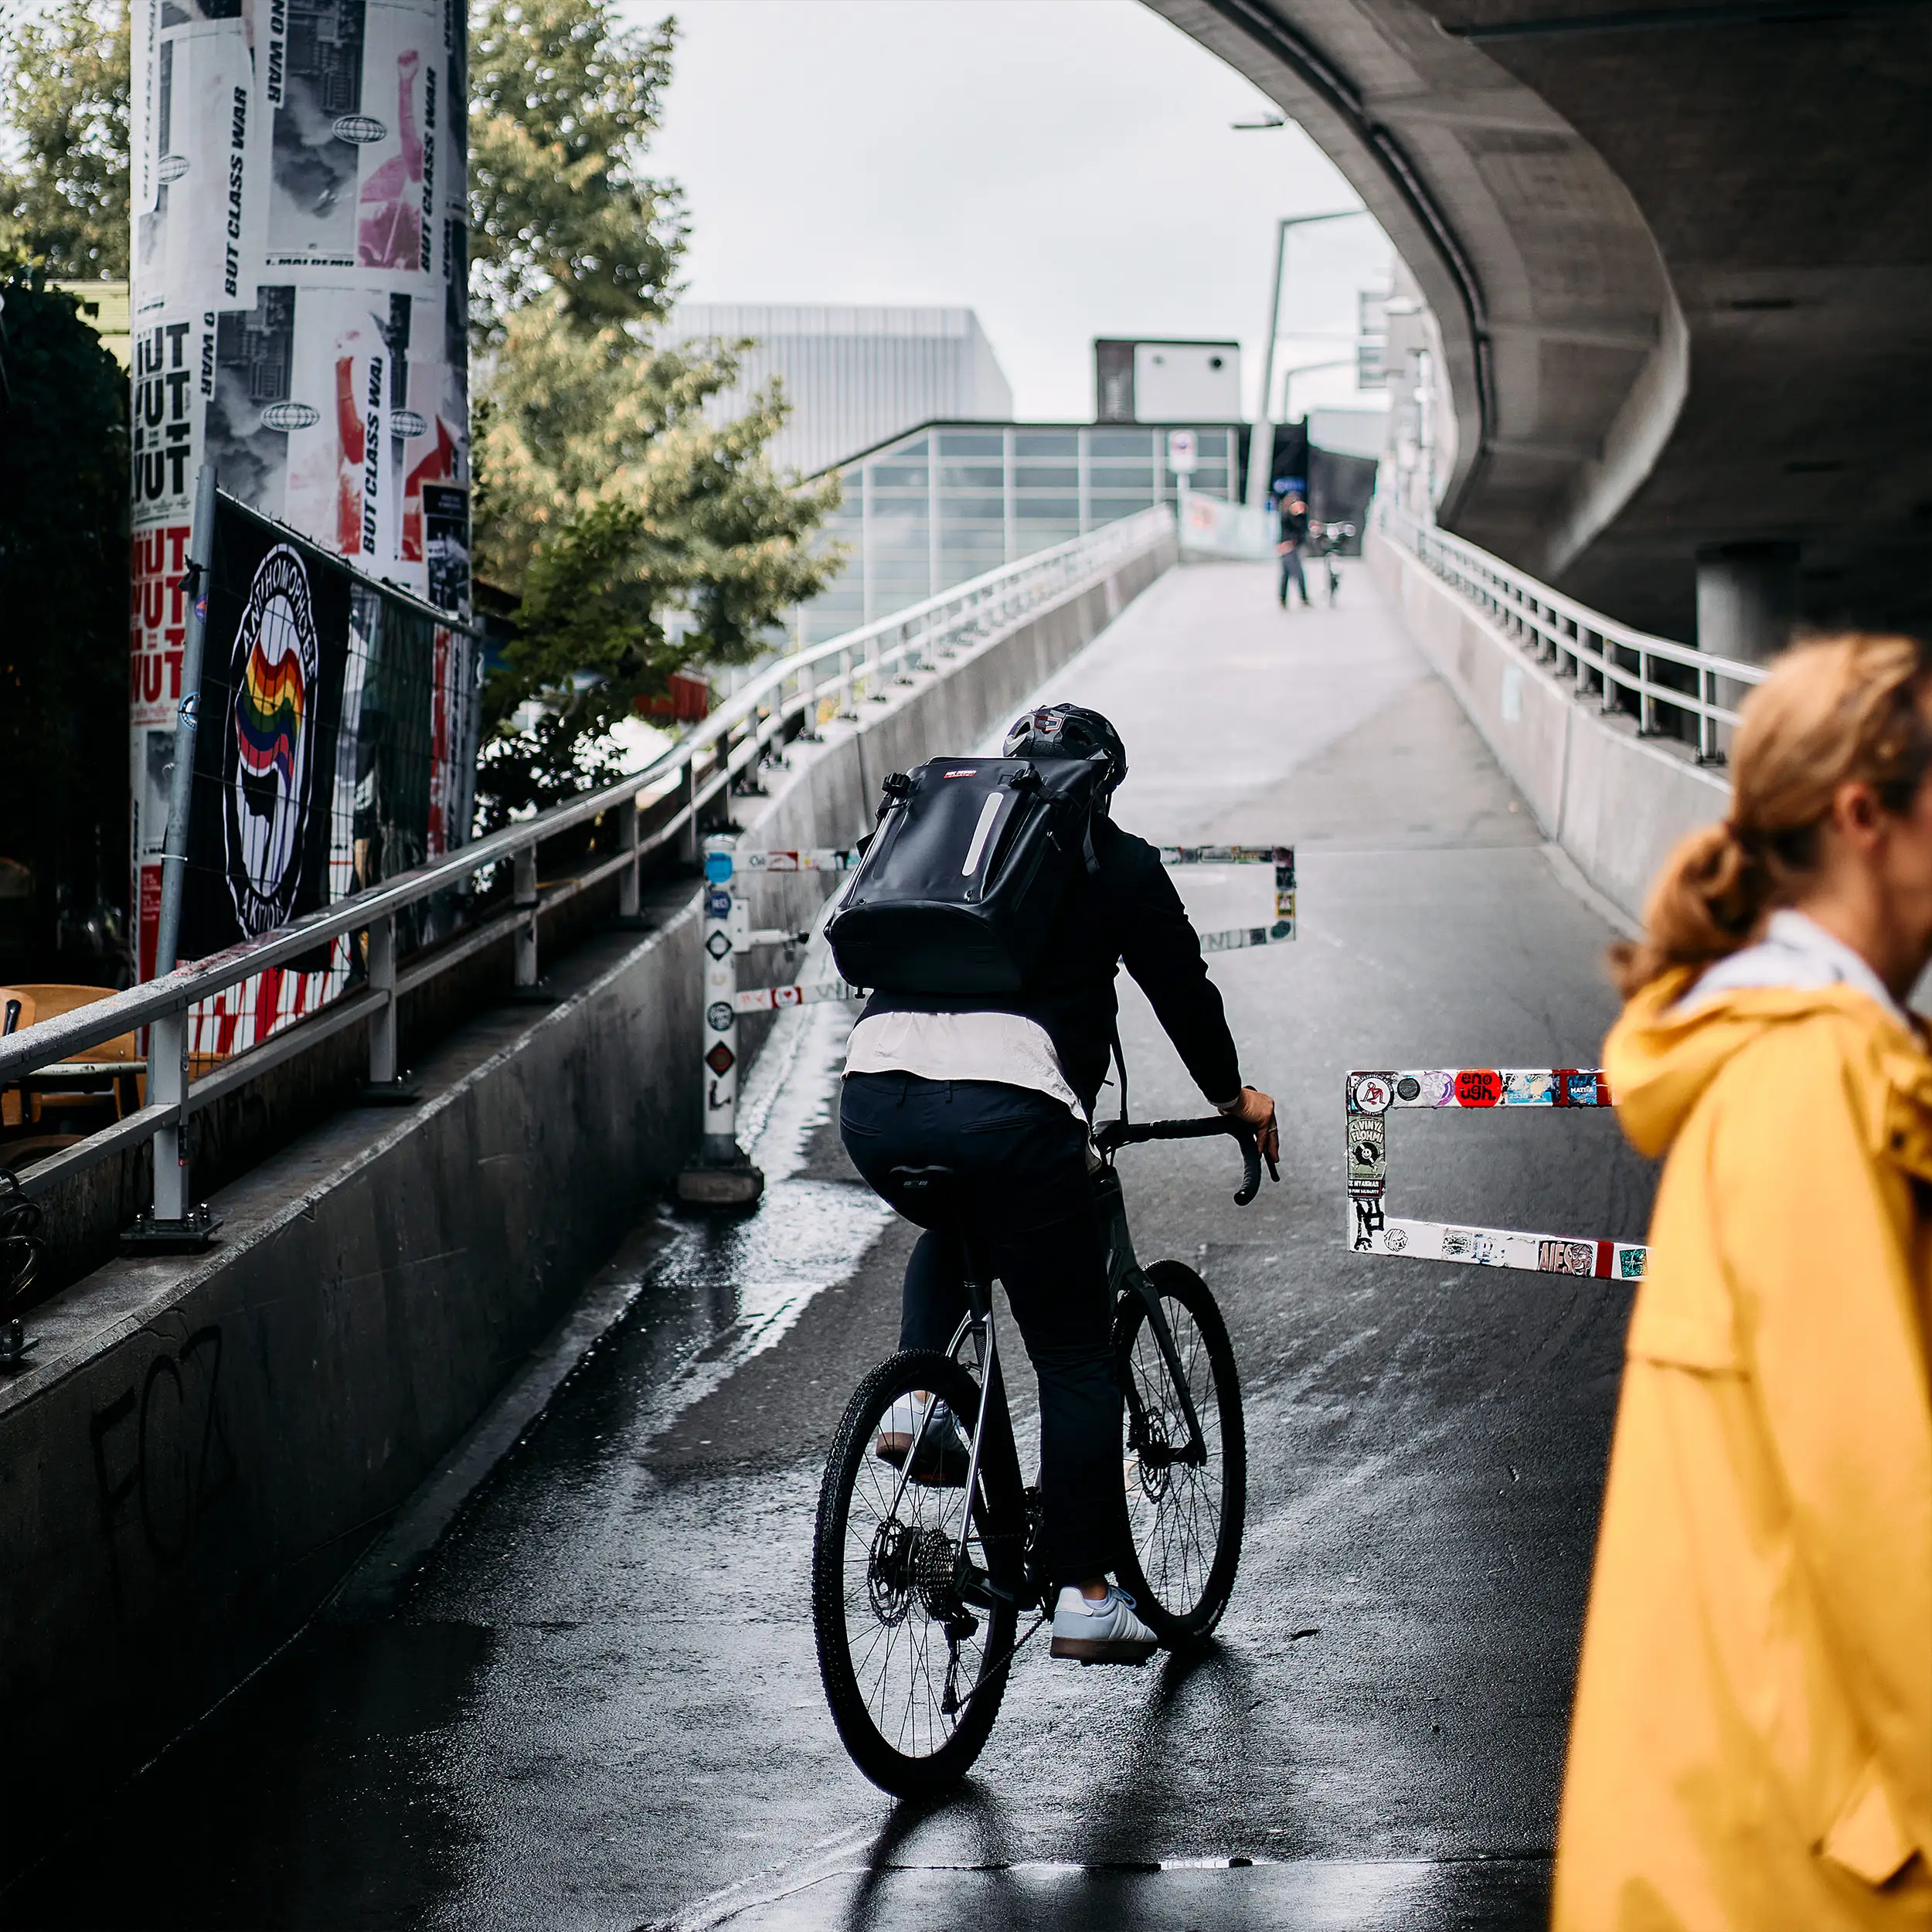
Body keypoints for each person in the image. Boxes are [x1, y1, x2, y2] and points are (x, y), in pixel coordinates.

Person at [1554, 633, 1932, 1930]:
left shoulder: (1808, 1067)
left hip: (1757, 1838)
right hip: (1797, 1863)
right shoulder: (1809, 1088)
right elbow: (1881, 1499)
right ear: (1865, 815)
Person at [838, 705, 1279, 1665]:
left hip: (876, 1099)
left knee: (957, 1227)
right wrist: (1233, 1097)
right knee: (1076, 1356)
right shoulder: (1114, 862)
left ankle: (923, 1407)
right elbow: (1182, 992)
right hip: (1014, 1114)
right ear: (1102, 785)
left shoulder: (955, 850)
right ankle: (1084, 1593)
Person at [1274, 482, 1310, 610]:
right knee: (1295, 573)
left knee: (1286, 574)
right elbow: (1286, 525)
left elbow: (1302, 530)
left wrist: (1301, 514)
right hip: (1286, 547)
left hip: (1293, 546)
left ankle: (1283, 599)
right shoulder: (1285, 515)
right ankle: (1301, 597)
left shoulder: (1300, 517)